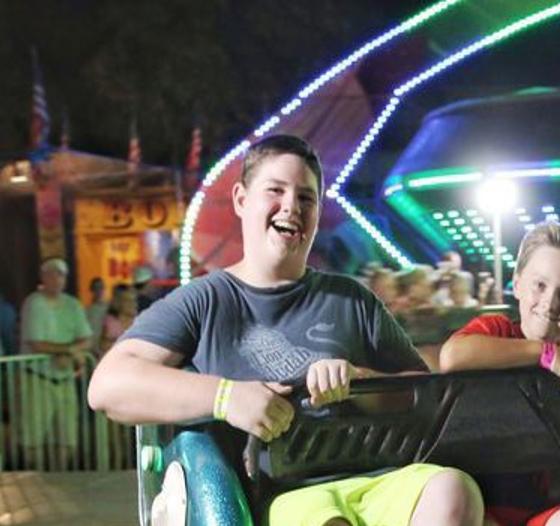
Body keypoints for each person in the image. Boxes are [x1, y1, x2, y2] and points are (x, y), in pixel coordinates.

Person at [88, 135, 483, 526]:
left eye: (306, 198)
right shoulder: (204, 300)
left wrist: (362, 381)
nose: (291, 206)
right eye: (275, 190)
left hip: (378, 478)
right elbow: (108, 386)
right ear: (242, 200)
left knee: (454, 489)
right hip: (285, 493)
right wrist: (226, 397)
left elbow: (426, 398)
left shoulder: (351, 299)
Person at [439, 221, 560, 526]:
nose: (550, 302)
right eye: (540, 285)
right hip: (469, 507)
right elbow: (452, 356)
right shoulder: (498, 331)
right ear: (517, 284)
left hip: (531, 515)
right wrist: (544, 353)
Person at [20, 257, 92, 469]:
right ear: (43, 277)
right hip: (37, 378)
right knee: (33, 437)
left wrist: (69, 352)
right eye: (52, 273)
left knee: (67, 437)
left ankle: (61, 475)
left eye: (61, 274)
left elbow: (86, 337)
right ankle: (39, 477)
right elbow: (37, 344)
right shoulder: (34, 302)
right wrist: (69, 350)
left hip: (65, 379)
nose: (57, 278)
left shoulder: (72, 304)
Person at [85, 277, 109, 357]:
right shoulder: (87, 311)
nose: (99, 290)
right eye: (96, 288)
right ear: (92, 290)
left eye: (101, 287)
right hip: (93, 352)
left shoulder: (111, 308)